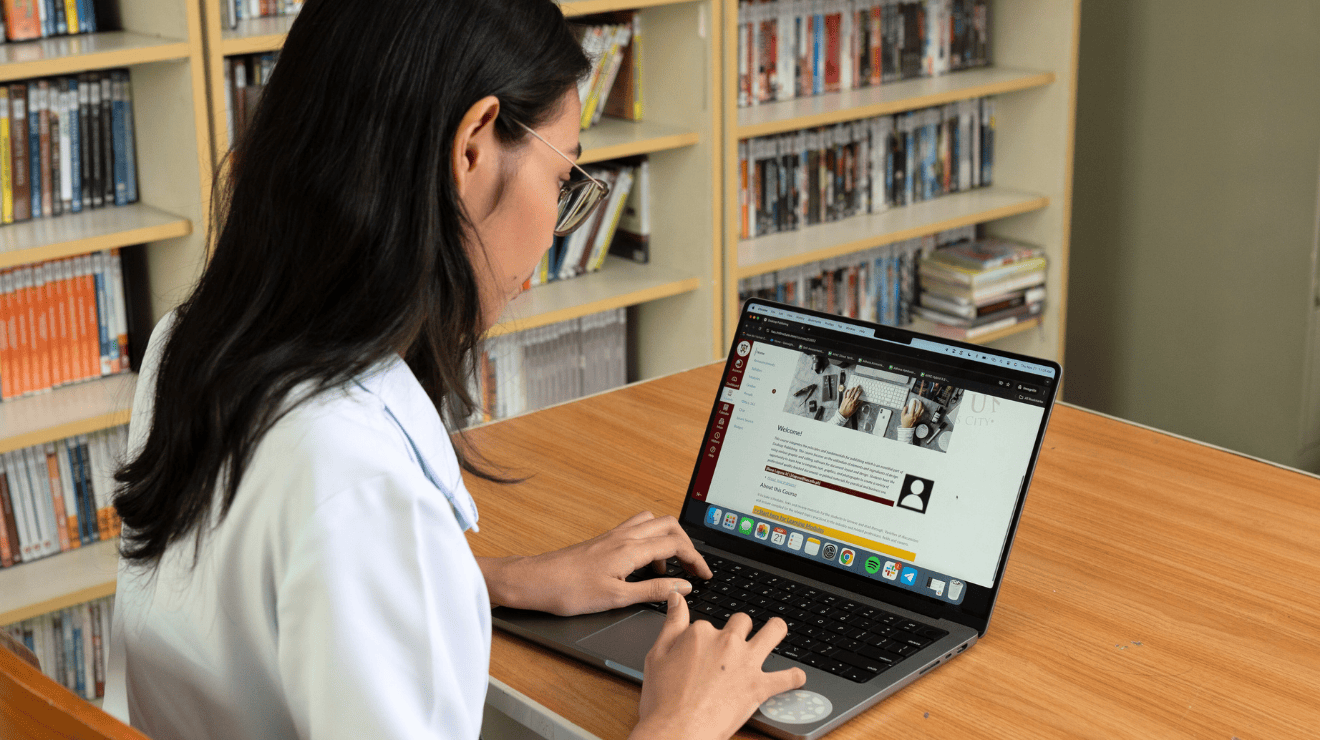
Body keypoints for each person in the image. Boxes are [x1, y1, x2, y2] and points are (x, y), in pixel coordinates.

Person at [102, 1, 803, 739]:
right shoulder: (360, 479)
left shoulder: (189, 343)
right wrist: (680, 721)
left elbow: (282, 605)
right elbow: (348, 534)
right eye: (562, 178)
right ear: (472, 145)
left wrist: (484, 582)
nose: (553, 224)